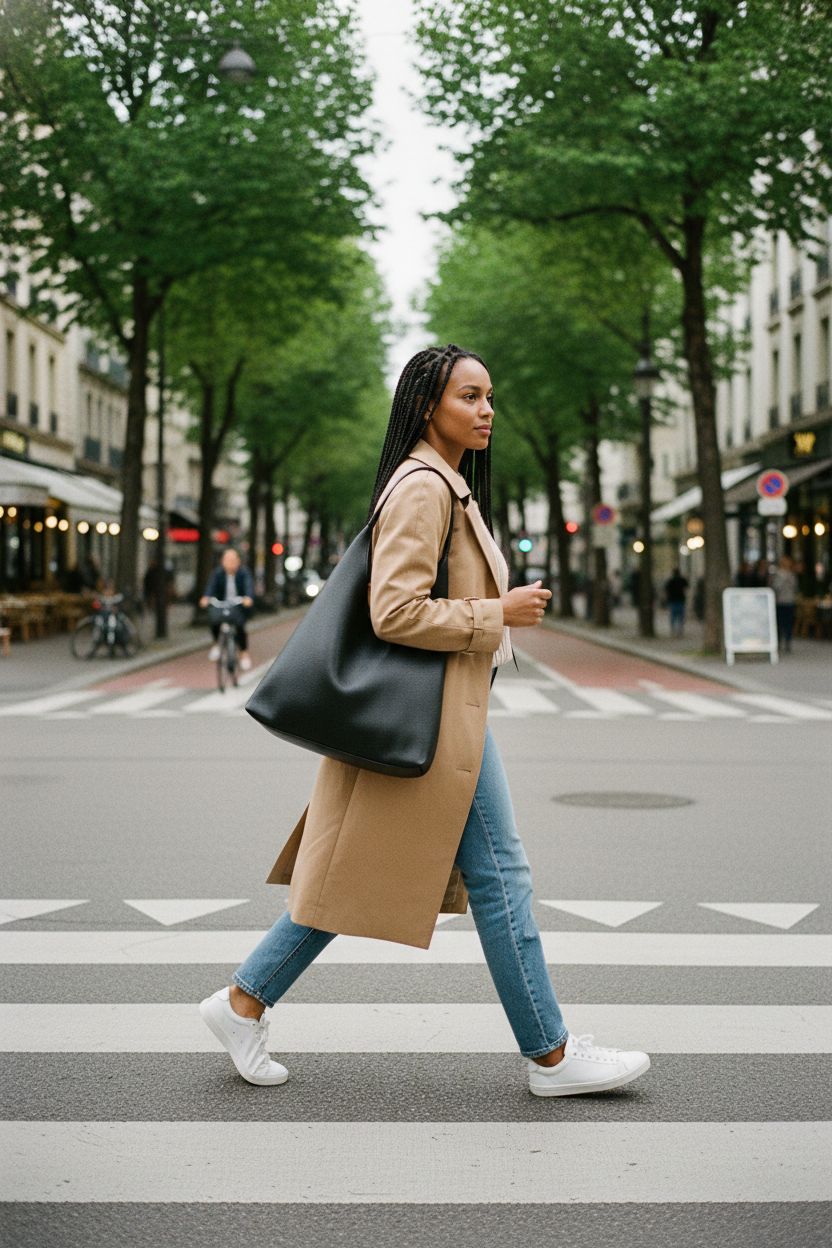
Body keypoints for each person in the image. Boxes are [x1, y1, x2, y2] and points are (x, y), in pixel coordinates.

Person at [199, 344, 650, 1098]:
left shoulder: (444, 483)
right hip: (434, 718)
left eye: (490, 396)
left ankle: (243, 1002)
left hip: (442, 714)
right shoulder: (424, 487)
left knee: (359, 867)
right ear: (425, 405)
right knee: (500, 878)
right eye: (469, 396)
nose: (487, 410)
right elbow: (395, 611)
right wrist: (496, 613)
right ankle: (551, 1055)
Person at [199, 548, 254, 672]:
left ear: (238, 561)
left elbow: (248, 586)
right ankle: (216, 644)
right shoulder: (217, 573)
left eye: (233, 560)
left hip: (238, 605)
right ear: (222, 561)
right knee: (214, 621)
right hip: (222, 604)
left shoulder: (244, 573)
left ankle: (244, 653)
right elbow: (211, 587)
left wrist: (248, 598)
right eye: (227, 560)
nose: (230, 563)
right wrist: (206, 597)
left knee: (240, 627)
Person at [770, 554, 798, 653]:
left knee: (789, 622)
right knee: (779, 622)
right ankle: (778, 641)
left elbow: (795, 586)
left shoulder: (792, 574)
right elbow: (776, 586)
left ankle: (788, 641)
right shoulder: (778, 574)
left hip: (789, 601)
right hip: (780, 601)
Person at [663, 566, 689, 637]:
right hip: (681, 600)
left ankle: (673, 630)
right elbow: (687, 587)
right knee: (681, 617)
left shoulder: (670, 581)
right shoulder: (682, 580)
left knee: (673, 616)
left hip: (672, 601)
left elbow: (666, 590)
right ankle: (680, 630)